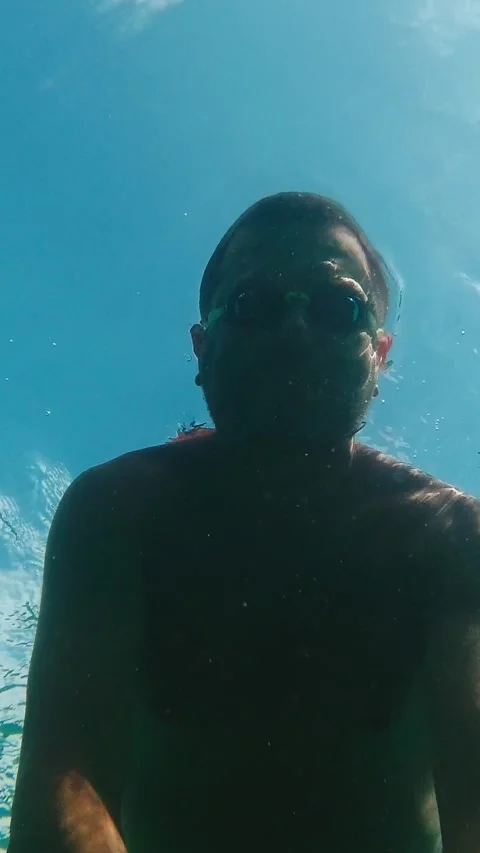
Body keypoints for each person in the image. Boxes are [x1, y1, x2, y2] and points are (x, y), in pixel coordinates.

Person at [7, 192, 480, 853]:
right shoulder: (117, 512)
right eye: (255, 305)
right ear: (202, 347)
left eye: (338, 308)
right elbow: (64, 778)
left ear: (379, 353)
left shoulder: (450, 535)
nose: (295, 331)